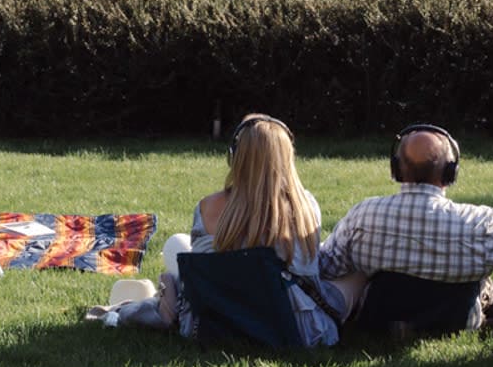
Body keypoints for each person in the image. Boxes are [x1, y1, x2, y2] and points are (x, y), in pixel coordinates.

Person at [123, 114, 340, 345]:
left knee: (176, 243)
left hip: (218, 322)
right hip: (294, 327)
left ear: (234, 156)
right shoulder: (305, 206)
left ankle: (157, 300)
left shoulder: (207, 207)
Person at [318, 124, 493, 320]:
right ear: (450, 172)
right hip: (456, 318)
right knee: (489, 286)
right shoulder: (480, 222)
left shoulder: (363, 214)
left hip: (381, 318)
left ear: (396, 170)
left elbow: (327, 266)